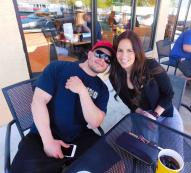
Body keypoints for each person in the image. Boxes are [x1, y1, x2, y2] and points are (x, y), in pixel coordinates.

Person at [10, 41, 115, 173]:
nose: (102, 60)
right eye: (99, 54)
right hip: (43, 135)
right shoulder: (58, 68)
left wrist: (82, 91)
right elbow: (38, 103)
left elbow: (94, 122)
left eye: (108, 59)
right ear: (89, 54)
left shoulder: (102, 89)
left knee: (110, 159)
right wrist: (48, 142)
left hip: (78, 136)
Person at [109, 31, 183, 151]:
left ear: (137, 52)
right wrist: (142, 113)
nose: (123, 56)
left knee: (174, 153)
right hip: (142, 116)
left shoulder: (150, 66)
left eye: (129, 50)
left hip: (165, 113)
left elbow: (169, 94)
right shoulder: (115, 75)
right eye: (120, 50)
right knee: (148, 152)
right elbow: (127, 101)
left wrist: (154, 115)